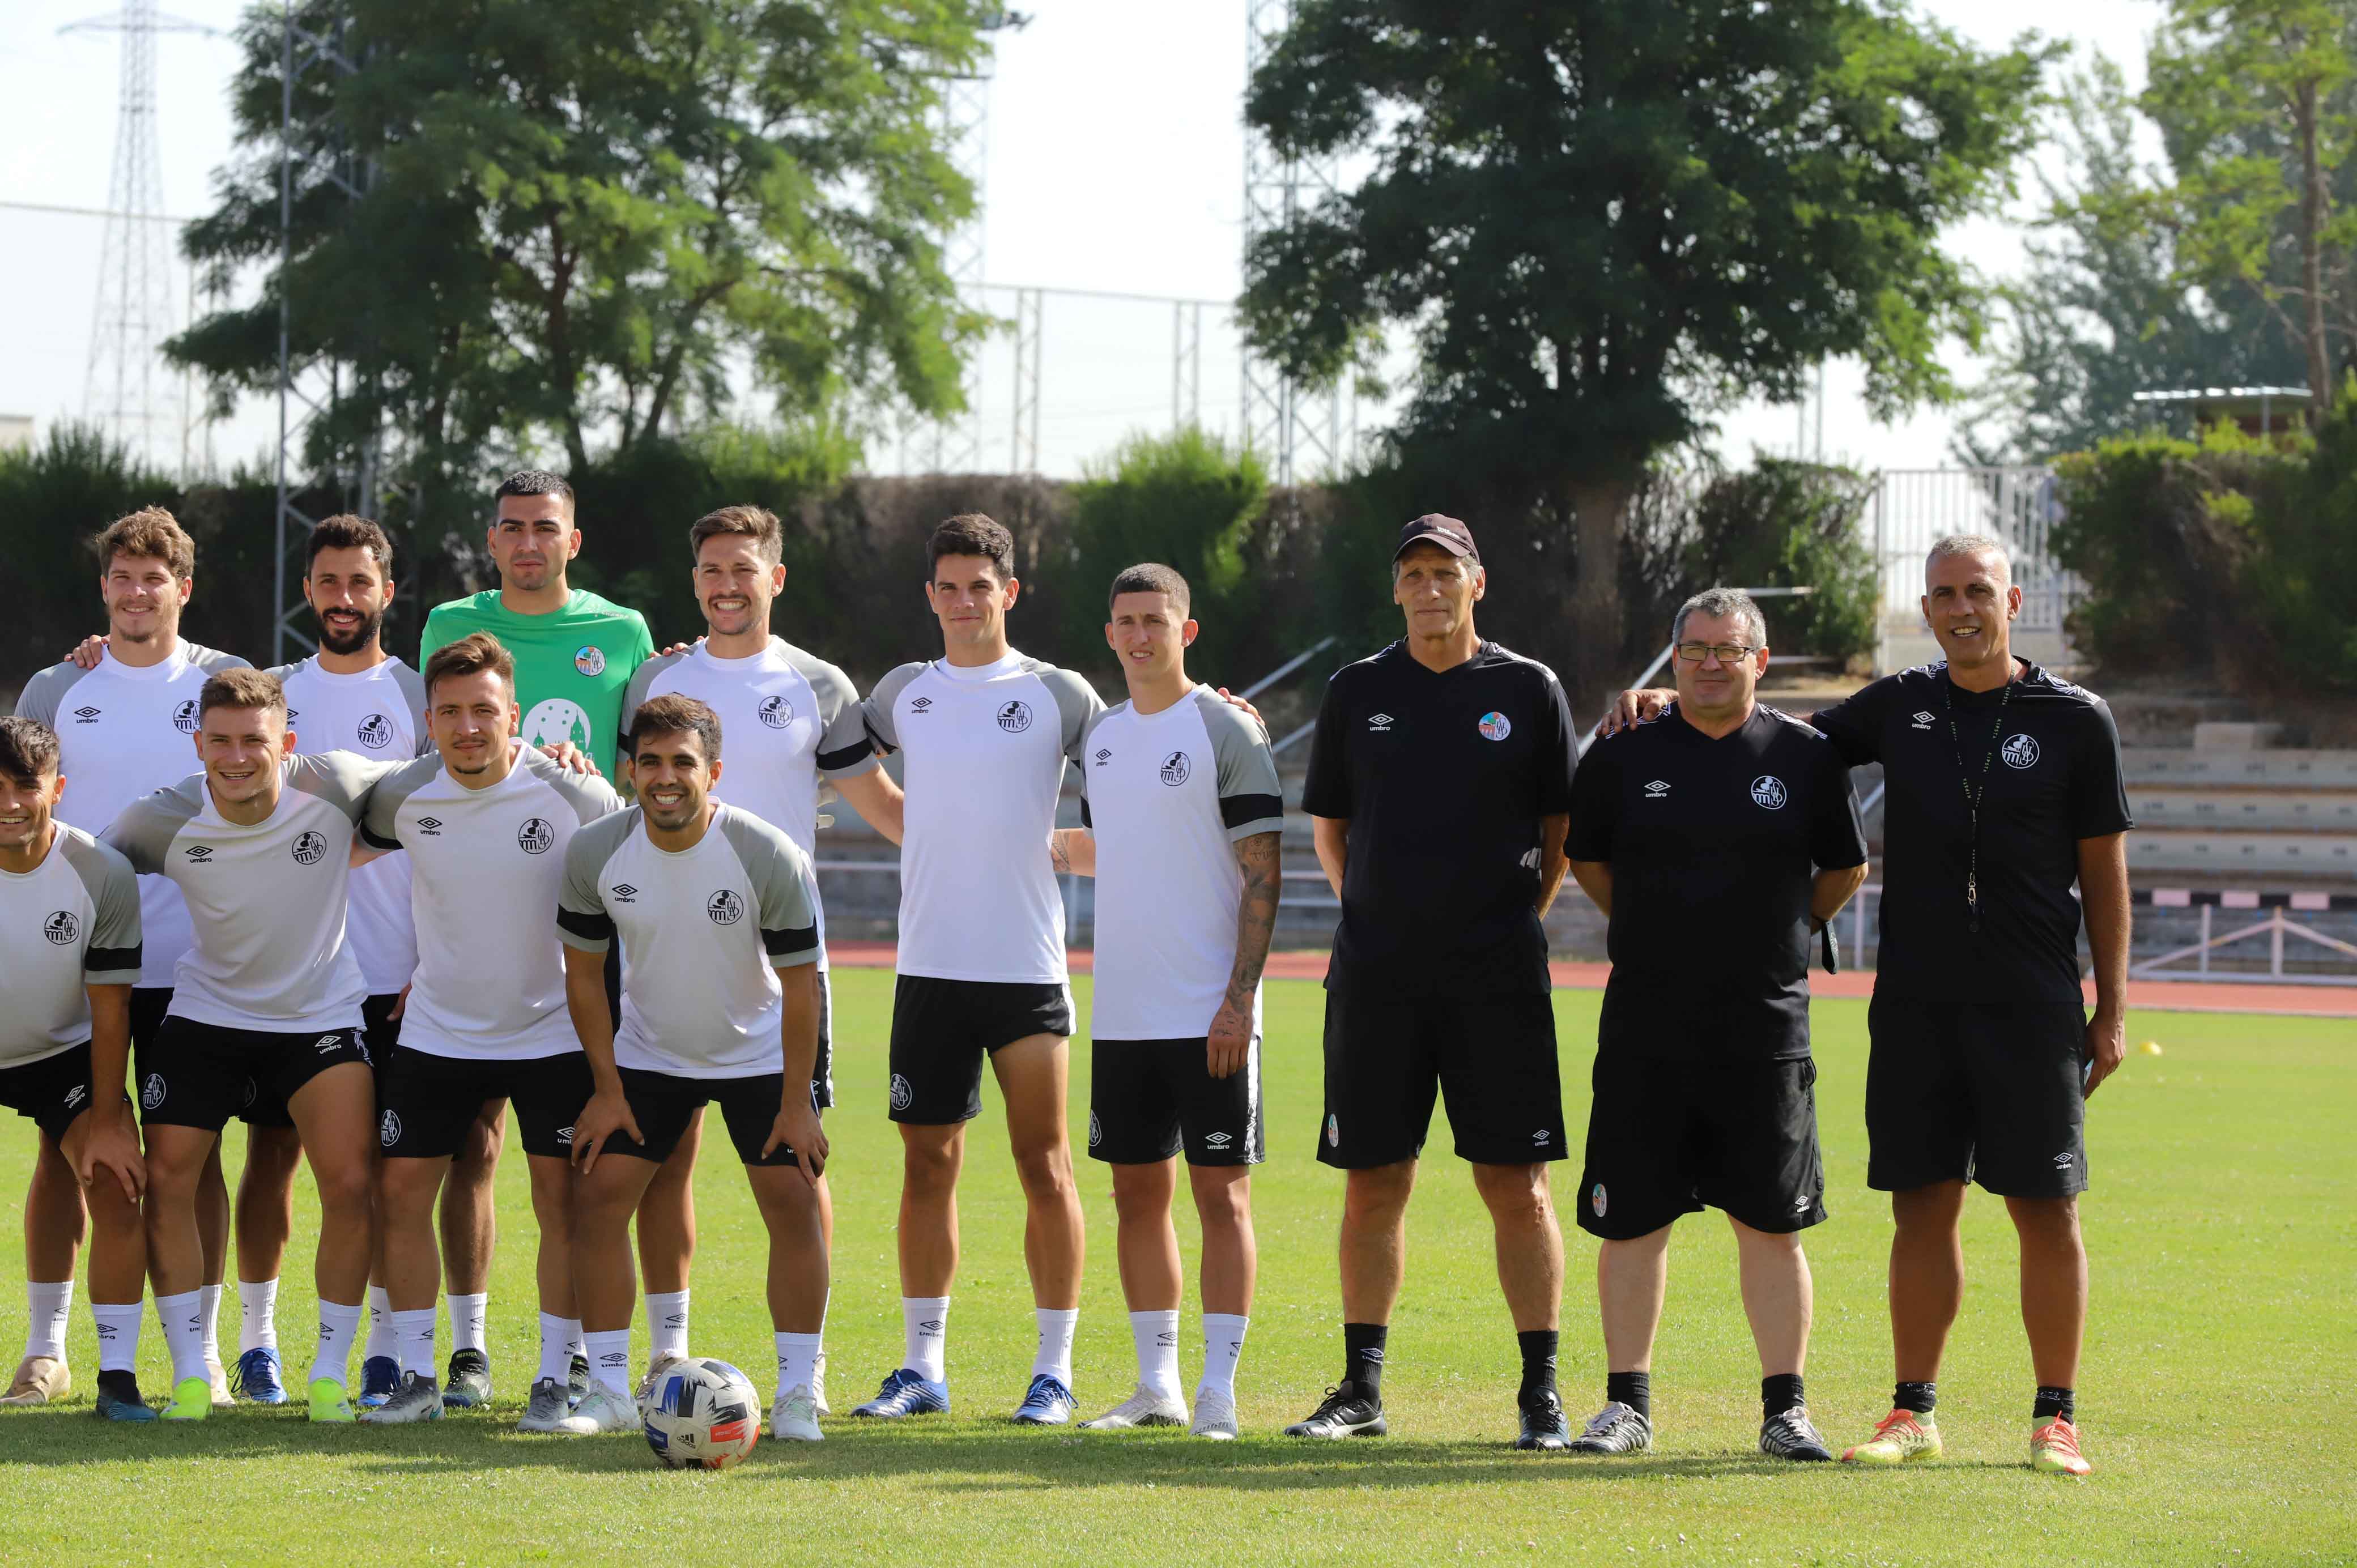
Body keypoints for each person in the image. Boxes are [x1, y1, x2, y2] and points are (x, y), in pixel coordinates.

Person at [1600, 534, 2134, 1476]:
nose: (1961, 607)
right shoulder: (1900, 704)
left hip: (2034, 1000)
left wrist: (2113, 1008)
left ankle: (2057, 1415)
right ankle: (1912, 1409)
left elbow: (2105, 873)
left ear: (2013, 598)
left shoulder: (2076, 719)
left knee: (2046, 1208)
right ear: (1924, 608)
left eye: (1977, 590)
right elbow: (1771, 730)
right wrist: (1671, 696)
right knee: (1922, 1207)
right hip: (1918, 1003)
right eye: (1942, 594)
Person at [1289, 513, 1579, 1450]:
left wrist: (1504, 921)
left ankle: (1541, 1391)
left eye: (1444, 570)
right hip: (1379, 974)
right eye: (1411, 571)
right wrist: (1377, 915)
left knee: (1516, 1182)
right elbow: (1331, 829)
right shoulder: (1358, 689)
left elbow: (1559, 833)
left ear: (1477, 582)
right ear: (1397, 587)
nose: (1428, 586)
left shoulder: (1528, 688)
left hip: (1497, 973)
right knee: (1375, 1180)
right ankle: (1361, 1387)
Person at [1561, 588, 1868, 1462]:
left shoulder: (1804, 757)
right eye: (1691, 650)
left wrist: (1777, 933)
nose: (1707, 665)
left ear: (1759, 661)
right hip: (1647, 1021)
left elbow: (1843, 869)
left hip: (1764, 1026)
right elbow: (1589, 859)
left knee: (1771, 1225)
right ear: (1674, 658)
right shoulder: (1624, 755)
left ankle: (1786, 1411)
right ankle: (1626, 1405)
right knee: (1632, 1222)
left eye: (1726, 650)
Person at [618, 505, 907, 1413]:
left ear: (774, 578)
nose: (727, 584)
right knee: (662, 1164)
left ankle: (804, 1374)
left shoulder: (819, 685)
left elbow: (888, 810)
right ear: (695, 580)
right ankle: (668, 1354)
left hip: (782, 975)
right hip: (661, 958)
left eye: (744, 568)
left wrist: (1020, 836)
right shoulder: (653, 679)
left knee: (795, 1166)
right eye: (711, 569)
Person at [9, 508, 269, 1409]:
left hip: (199, 965)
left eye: (154, 578)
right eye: (122, 577)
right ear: (105, 588)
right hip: (75, 970)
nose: (135, 592)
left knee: (192, 1164)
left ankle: (196, 1361)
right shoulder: (56, 685)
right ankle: (46, 1349)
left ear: (182, 589)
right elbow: (22, 787)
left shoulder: (225, 684)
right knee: (65, 1155)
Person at [851, 513, 1103, 1426]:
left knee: (1046, 1163)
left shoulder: (1058, 693)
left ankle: (1055, 1370)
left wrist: (1067, 849)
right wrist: (917, 831)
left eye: (980, 586)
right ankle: (922, 1367)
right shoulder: (902, 693)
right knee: (928, 1165)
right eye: (948, 587)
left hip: (1026, 968)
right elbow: (838, 755)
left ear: (1010, 591)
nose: (964, 602)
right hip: (929, 968)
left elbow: (1135, 767)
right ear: (931, 596)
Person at [416, 468, 657, 1409]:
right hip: (470, 925)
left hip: (583, 930)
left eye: (544, 528)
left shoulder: (624, 632)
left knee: (595, 1169)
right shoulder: (445, 623)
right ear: (492, 537)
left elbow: (642, 756)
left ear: (573, 538)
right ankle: (470, 1352)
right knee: (467, 1154)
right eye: (512, 528)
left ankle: (588, 1362)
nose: (527, 543)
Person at [102, 668, 395, 1421]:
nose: (237, 758)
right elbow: (80, 867)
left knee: (352, 1184)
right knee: (167, 1182)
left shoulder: (338, 784)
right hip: (207, 1018)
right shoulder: (161, 818)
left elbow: (447, 789)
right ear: (199, 744)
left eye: (254, 742)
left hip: (318, 1020)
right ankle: (195, 1371)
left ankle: (330, 1373)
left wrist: (554, 761)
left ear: (287, 743)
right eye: (221, 742)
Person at [354, 633, 624, 1428]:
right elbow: (320, 857)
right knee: (400, 1193)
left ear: (514, 715)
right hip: (437, 1029)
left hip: (550, 1033)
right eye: (450, 713)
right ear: (429, 720)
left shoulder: (576, 795)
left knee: (561, 1203)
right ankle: (414, 1376)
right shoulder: (403, 796)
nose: (468, 727)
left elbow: (629, 896)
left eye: (484, 711)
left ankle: (552, 1377)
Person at [1046, 564, 1283, 1441]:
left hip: (1210, 1014)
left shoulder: (1225, 729)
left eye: (1156, 620)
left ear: (1186, 631)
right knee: (1137, 1199)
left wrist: (1237, 1004)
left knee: (1222, 1199)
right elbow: (1118, 847)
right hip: (1126, 1014)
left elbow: (1264, 870)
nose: (1140, 635)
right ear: (1109, 635)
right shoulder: (1102, 740)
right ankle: (1158, 1386)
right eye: (1125, 622)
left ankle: (1218, 1391)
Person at [555, 695, 830, 1441]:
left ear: (714, 772)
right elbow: (584, 977)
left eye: (683, 763)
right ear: (630, 770)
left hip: (760, 1052)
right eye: (651, 762)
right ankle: (611, 1390)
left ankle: (801, 1392)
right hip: (651, 1052)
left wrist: (798, 1101)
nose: (666, 777)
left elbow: (803, 985)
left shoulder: (765, 852)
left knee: (795, 1206)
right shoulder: (595, 853)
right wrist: (607, 1089)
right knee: (600, 1202)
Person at [263, 515, 432, 1409]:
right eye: (328, 583)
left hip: (395, 972)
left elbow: (448, 832)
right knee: (276, 1162)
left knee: (389, 1174)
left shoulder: (417, 695)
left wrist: (431, 960)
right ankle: (256, 1345)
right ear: (309, 592)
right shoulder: (274, 695)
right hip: (297, 980)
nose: (343, 599)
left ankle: (380, 1347)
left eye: (359, 583)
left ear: (386, 593)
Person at [0, 717, 155, 1422]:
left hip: (58, 1051)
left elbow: (111, 1009)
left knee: (116, 1182)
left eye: (25, 786)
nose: (9, 802)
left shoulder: (101, 872)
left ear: (56, 789)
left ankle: (108, 1373)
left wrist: (106, 1118)